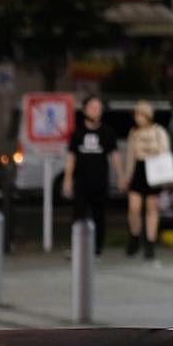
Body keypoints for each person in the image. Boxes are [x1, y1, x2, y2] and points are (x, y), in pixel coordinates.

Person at [62, 95, 119, 255]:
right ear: (85, 109)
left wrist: (120, 176)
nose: (96, 111)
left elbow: (114, 156)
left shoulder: (107, 132)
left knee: (99, 214)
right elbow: (71, 157)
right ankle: (77, 247)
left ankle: (97, 249)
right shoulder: (77, 133)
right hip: (81, 180)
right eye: (93, 107)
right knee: (78, 214)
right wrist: (67, 179)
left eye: (99, 108)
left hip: (100, 180)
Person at [121, 101, 172, 261]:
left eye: (140, 114)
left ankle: (150, 242)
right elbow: (130, 155)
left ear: (147, 115)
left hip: (154, 170)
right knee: (133, 208)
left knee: (151, 208)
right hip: (139, 170)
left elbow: (165, 152)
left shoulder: (159, 131)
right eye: (136, 114)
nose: (137, 118)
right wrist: (126, 176)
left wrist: (152, 151)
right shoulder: (134, 132)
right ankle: (135, 236)